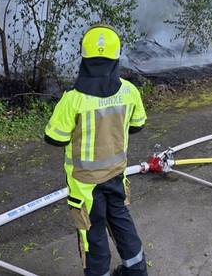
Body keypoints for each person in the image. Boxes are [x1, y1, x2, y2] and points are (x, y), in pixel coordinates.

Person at [44, 24, 148, 276]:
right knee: (121, 221)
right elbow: (137, 125)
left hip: (85, 185)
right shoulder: (129, 91)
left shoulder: (72, 99)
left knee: (92, 234)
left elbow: (54, 138)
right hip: (116, 175)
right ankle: (137, 271)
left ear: (85, 58)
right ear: (116, 57)